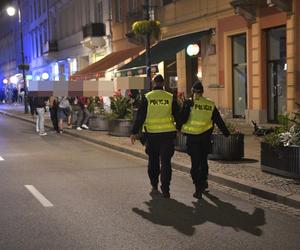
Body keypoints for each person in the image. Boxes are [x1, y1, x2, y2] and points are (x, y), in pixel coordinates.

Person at [130, 74, 180, 198]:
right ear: (163, 84)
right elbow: (178, 116)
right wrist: (179, 128)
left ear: (153, 83)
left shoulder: (147, 97)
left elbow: (140, 117)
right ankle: (166, 189)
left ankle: (154, 183)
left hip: (152, 136)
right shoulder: (170, 97)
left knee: (153, 161)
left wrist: (134, 132)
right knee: (166, 163)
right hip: (167, 136)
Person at [180, 80, 230, 199]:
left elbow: (182, 119)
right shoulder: (210, 104)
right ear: (202, 92)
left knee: (195, 163)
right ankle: (203, 181)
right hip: (205, 138)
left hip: (193, 138)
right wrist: (226, 133)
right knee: (203, 161)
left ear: (192, 91)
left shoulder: (189, 103)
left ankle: (198, 186)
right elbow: (218, 120)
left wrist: (177, 128)